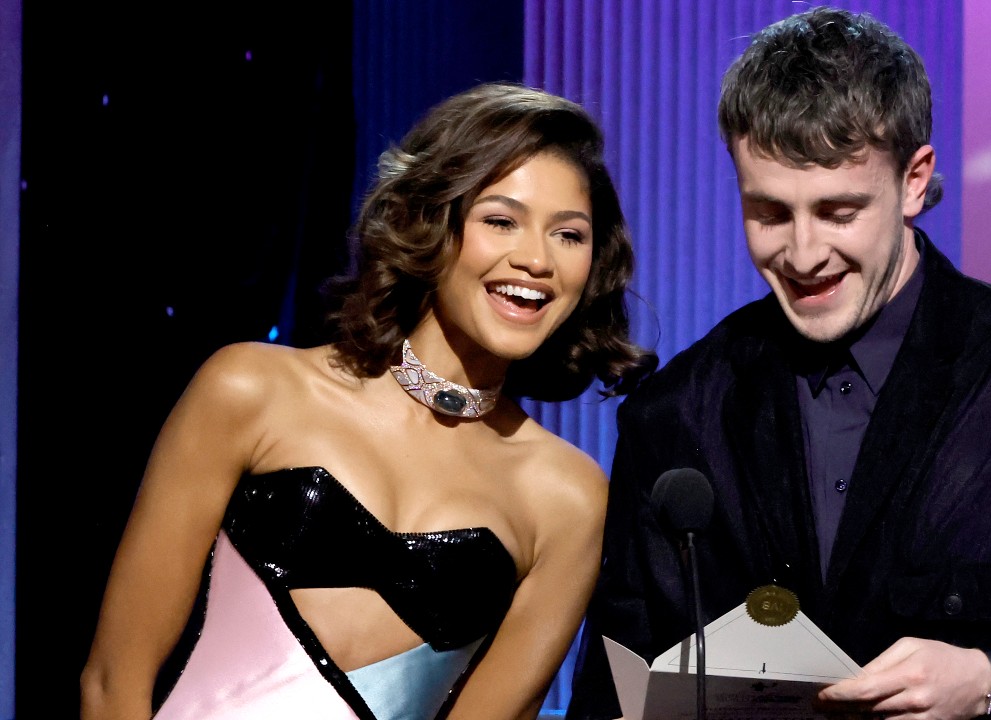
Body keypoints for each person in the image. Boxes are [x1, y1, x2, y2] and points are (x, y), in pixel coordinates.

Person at [567, 7, 991, 720]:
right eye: (769, 212)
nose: (801, 254)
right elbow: (612, 690)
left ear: (914, 180)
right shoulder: (674, 411)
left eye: (838, 211)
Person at [80, 81, 655, 720]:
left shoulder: (569, 498)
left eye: (569, 235)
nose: (537, 260)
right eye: (500, 221)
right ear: (433, 222)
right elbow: (112, 683)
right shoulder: (250, 390)